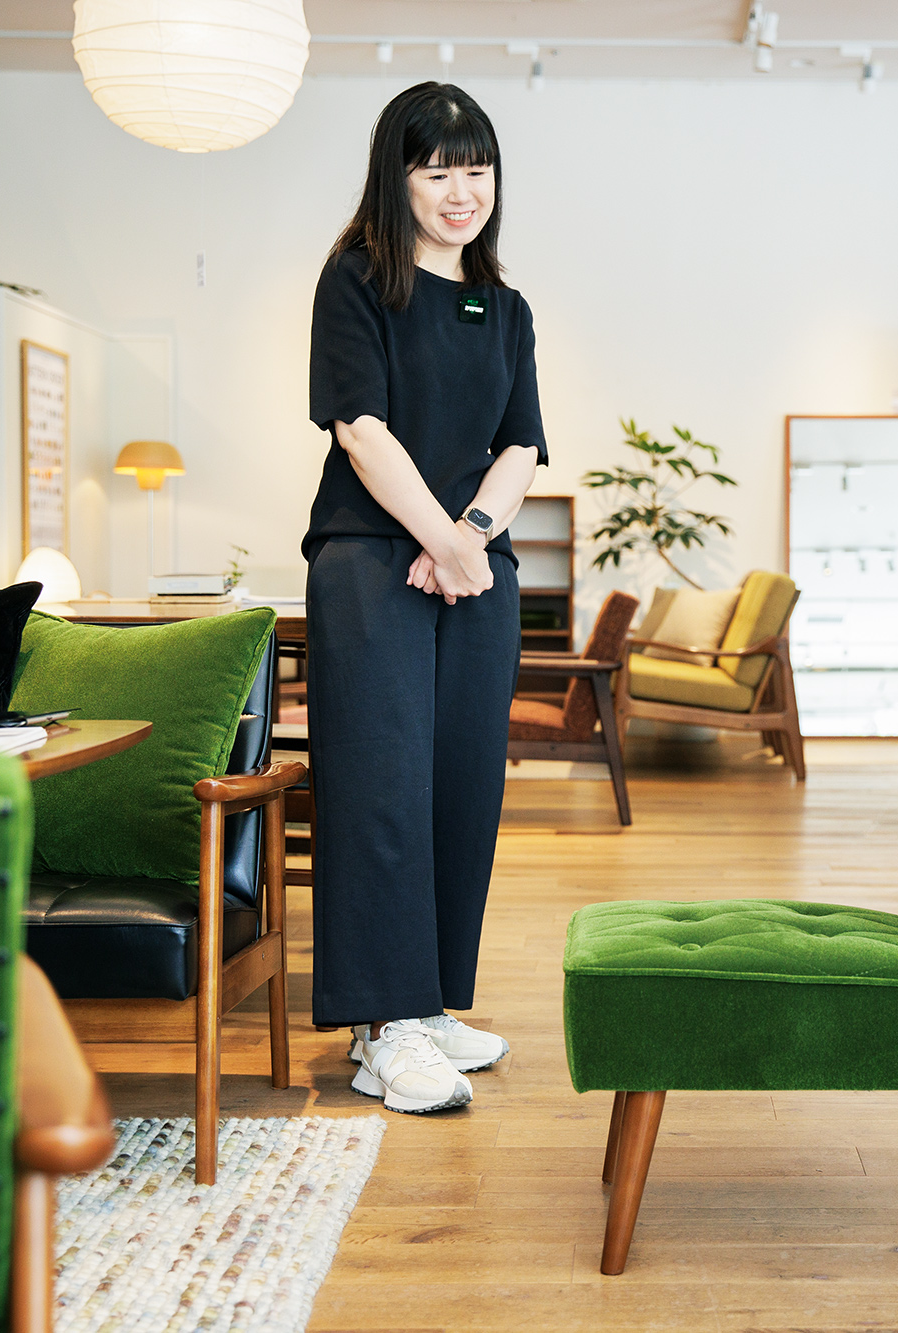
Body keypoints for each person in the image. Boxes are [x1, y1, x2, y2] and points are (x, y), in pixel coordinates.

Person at [304, 82, 545, 1113]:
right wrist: (439, 539)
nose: (461, 192)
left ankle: (431, 1001)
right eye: (438, 171)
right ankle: (382, 1027)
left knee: (461, 787)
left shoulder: (507, 308)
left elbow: (520, 445)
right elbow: (360, 429)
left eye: (475, 170)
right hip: (370, 561)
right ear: (396, 179)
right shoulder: (356, 279)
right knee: (382, 786)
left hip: (475, 574)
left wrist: (470, 539)